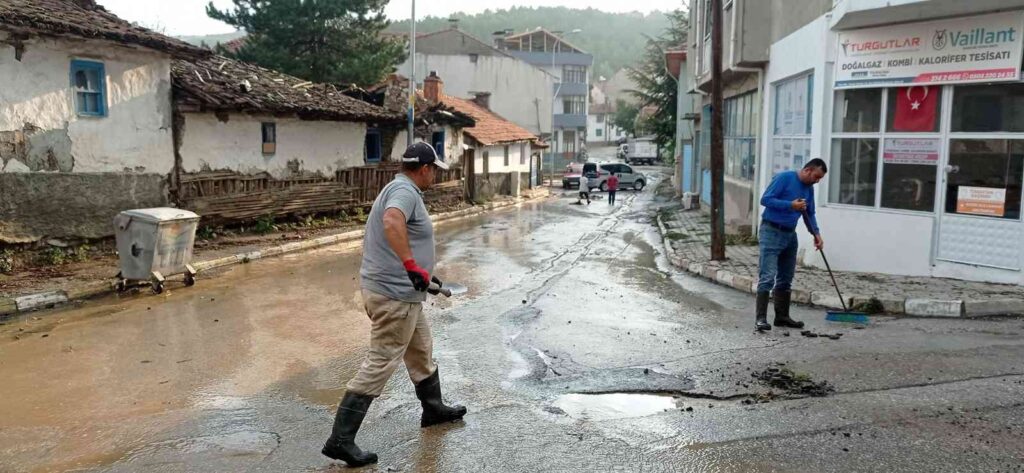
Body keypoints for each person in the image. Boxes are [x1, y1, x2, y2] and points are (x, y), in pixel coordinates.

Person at [322, 142, 467, 467]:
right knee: (381, 361)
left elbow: (403, 238)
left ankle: (433, 409)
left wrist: (425, 275)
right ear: (425, 169)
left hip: (404, 294)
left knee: (420, 351)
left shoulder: (397, 187)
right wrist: (412, 267)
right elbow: (392, 223)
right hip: (394, 297)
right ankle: (341, 439)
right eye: (434, 171)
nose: (434, 177)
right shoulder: (404, 192)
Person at [755, 159, 827, 332]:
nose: (817, 181)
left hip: (789, 234)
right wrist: (790, 205)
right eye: (816, 177)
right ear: (808, 170)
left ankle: (782, 316)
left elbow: (809, 213)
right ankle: (761, 319)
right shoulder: (784, 178)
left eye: (820, 179)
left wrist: (816, 234)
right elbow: (765, 200)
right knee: (767, 276)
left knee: (786, 277)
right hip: (771, 231)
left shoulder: (809, 189)